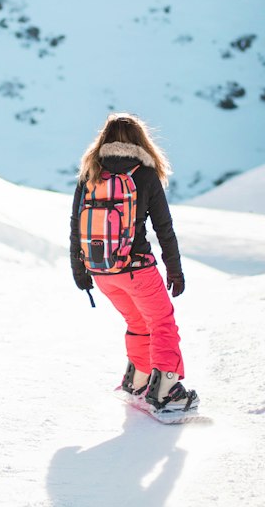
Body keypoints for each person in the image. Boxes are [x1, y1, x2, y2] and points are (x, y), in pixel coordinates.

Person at [70, 112, 195, 414]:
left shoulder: (91, 172)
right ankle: (166, 391)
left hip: (102, 273)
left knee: (138, 323)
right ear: (141, 140)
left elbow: (76, 224)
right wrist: (174, 270)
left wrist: (80, 270)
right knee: (162, 322)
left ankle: (137, 381)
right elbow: (164, 228)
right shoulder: (145, 173)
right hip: (136, 268)